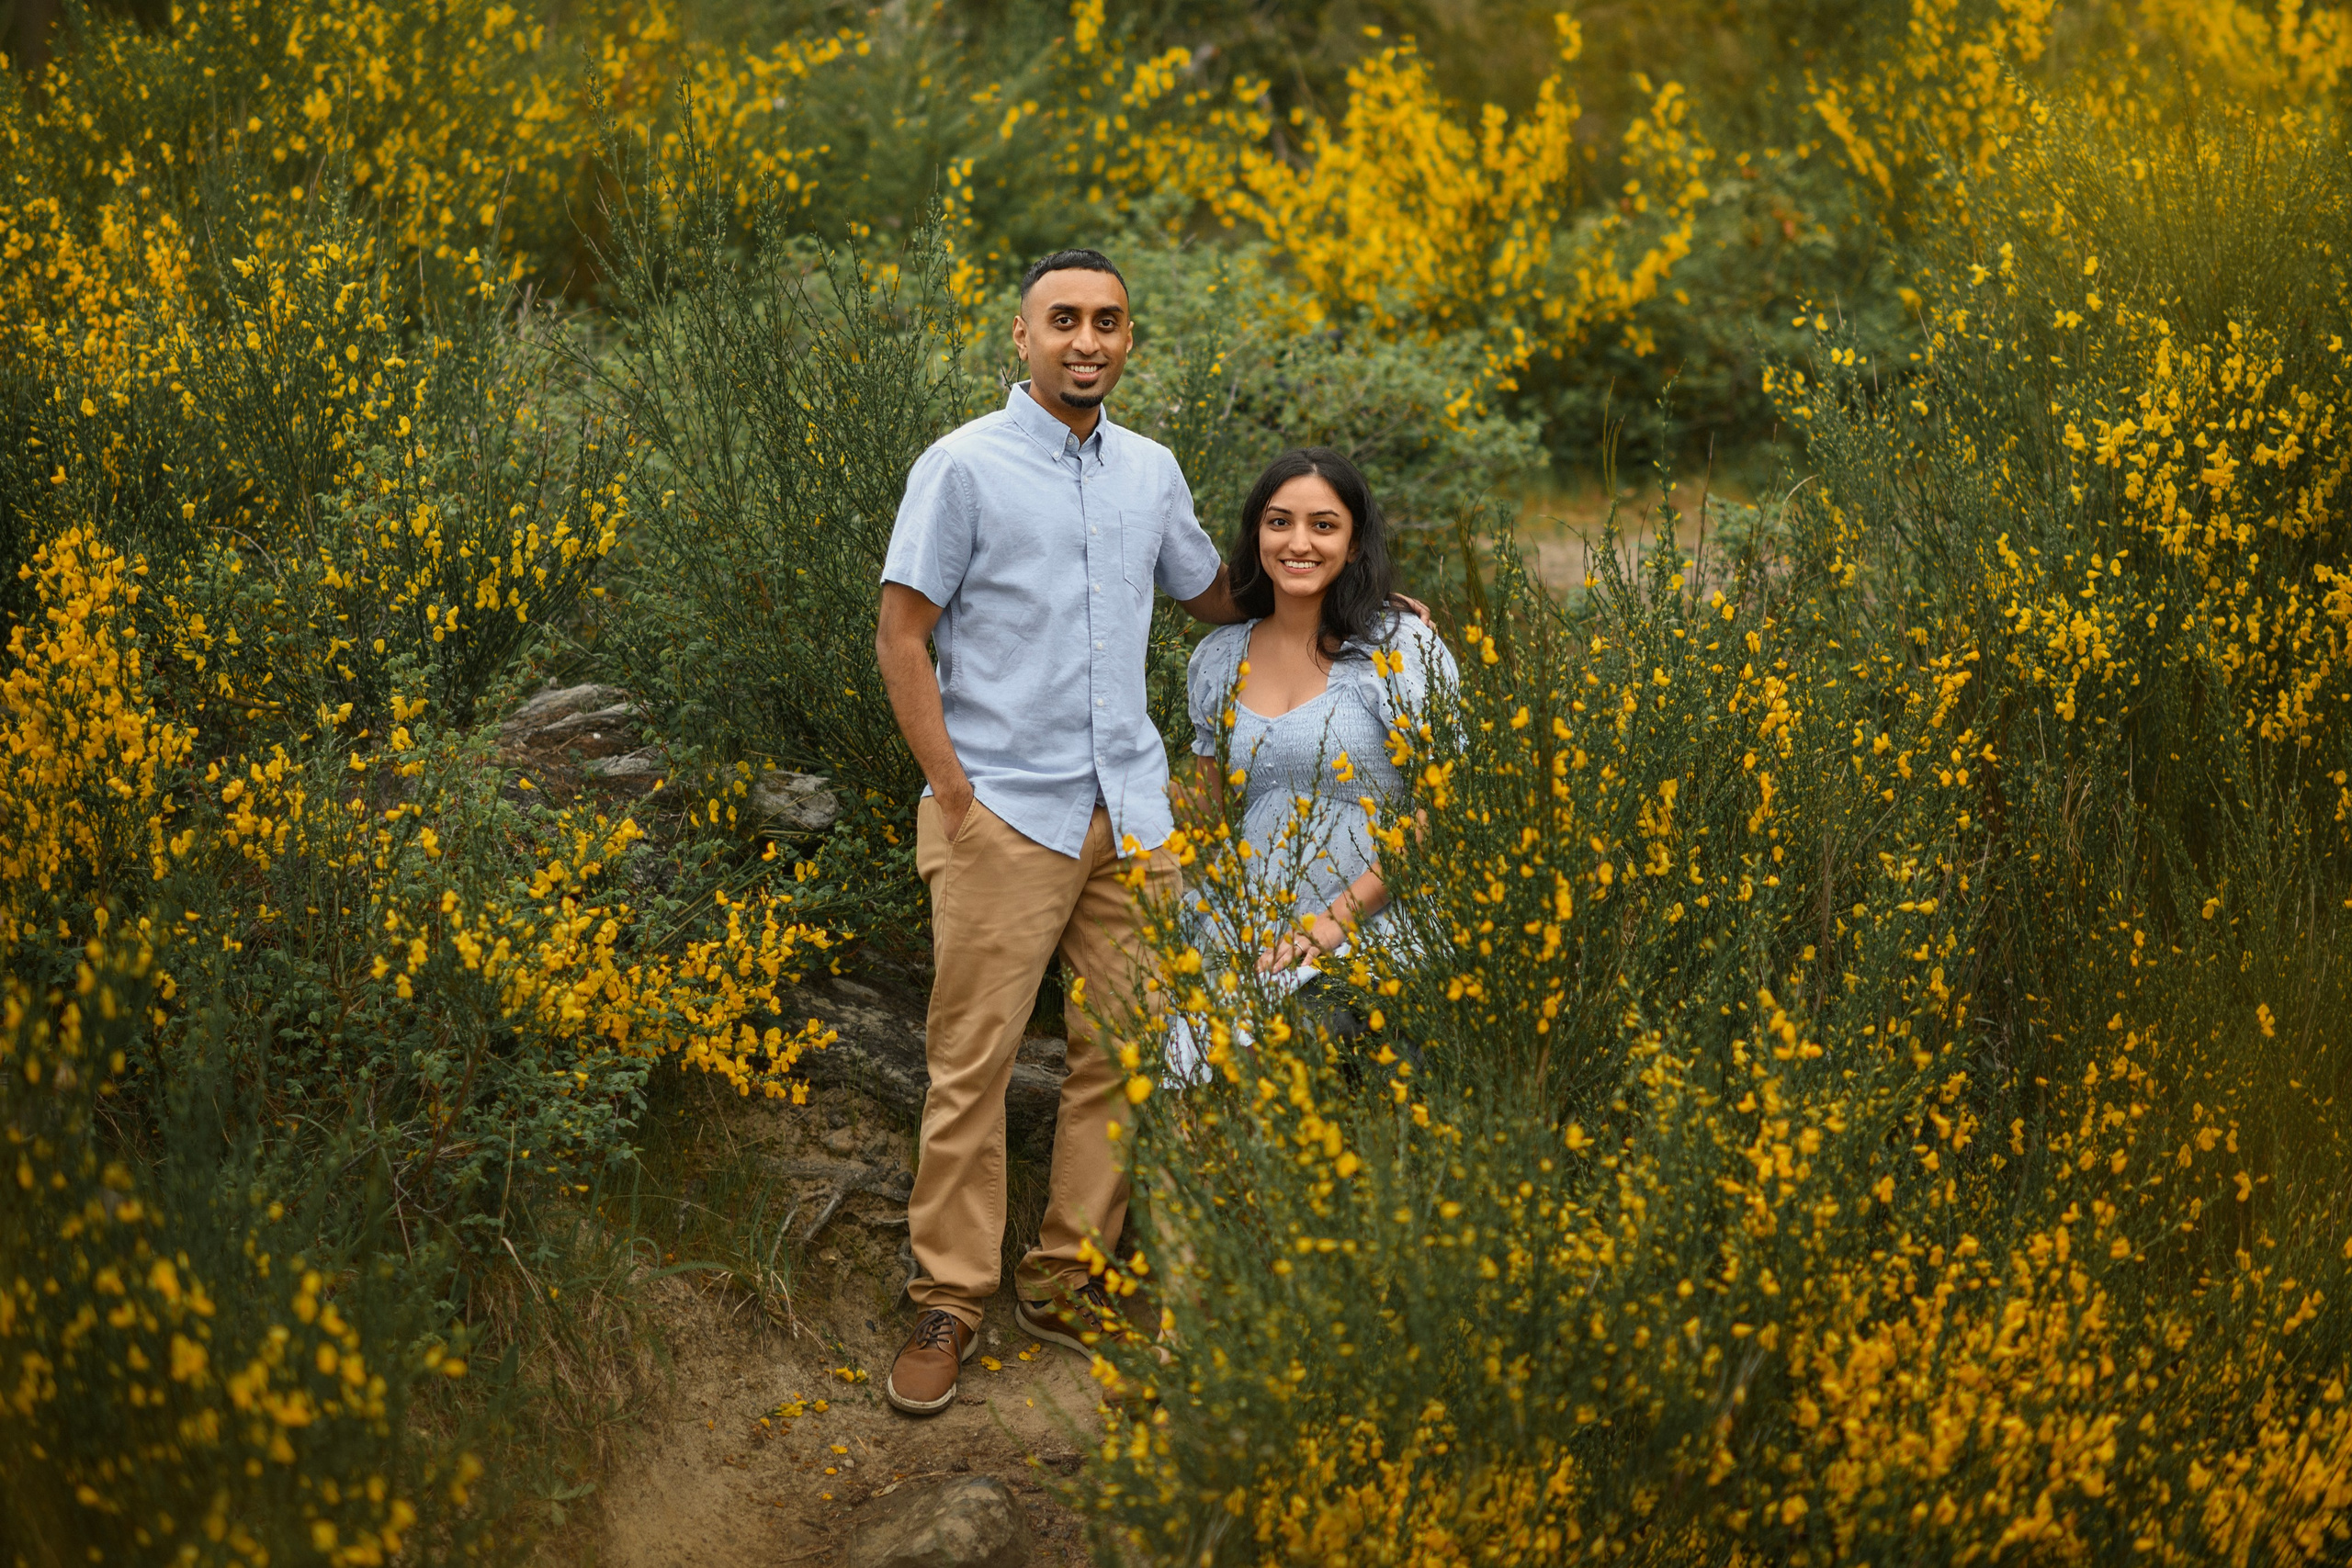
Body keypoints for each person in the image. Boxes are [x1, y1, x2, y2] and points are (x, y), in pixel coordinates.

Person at [871, 248, 1241, 1417]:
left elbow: (1214, 596)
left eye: (1108, 322)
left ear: (1129, 341)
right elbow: (900, 634)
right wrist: (953, 793)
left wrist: (1352, 596)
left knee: (1122, 1057)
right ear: (1022, 338)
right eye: (1065, 320)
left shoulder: (1151, 471)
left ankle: (1064, 1277)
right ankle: (949, 1296)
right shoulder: (963, 465)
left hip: (1131, 815)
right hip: (1004, 814)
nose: (1088, 341)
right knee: (969, 1067)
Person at [1170, 447, 1457, 1081]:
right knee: (1194, 1079)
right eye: (1279, 522)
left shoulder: (1400, 646)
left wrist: (1330, 925)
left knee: (1312, 1063)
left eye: (1324, 525)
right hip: (1252, 924)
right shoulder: (1219, 657)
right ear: (1257, 534)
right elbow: (1203, 811)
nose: (1298, 543)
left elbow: (1440, 811)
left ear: (1354, 545)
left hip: (1376, 923)